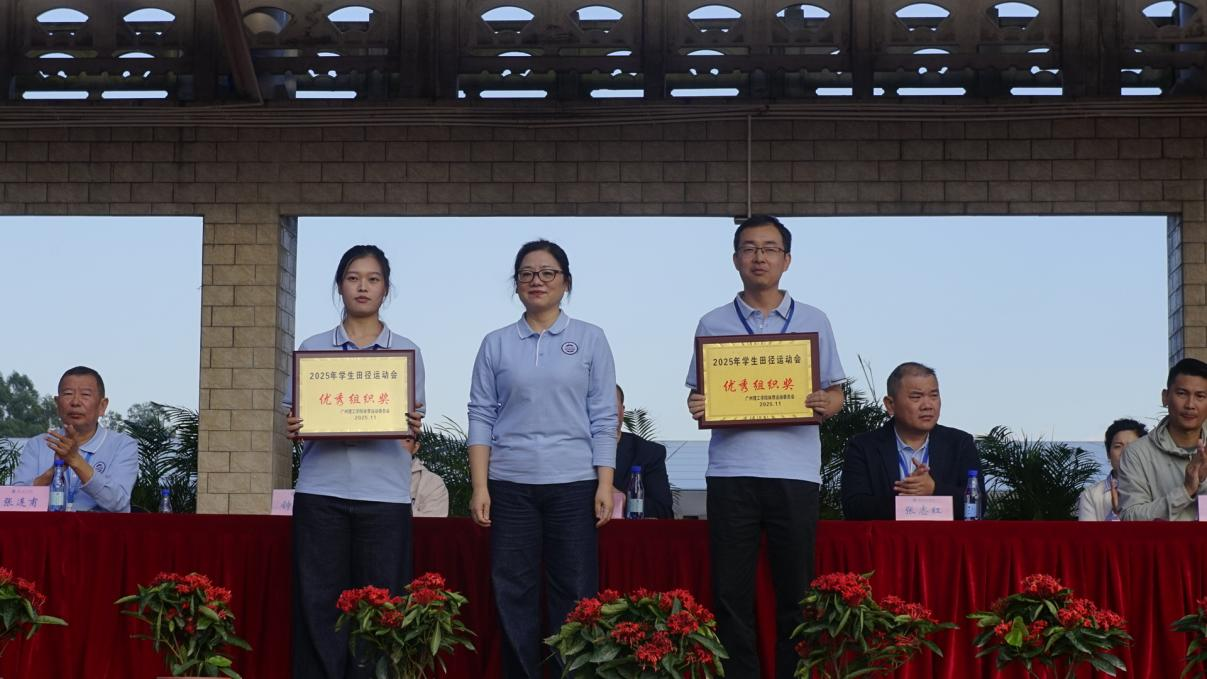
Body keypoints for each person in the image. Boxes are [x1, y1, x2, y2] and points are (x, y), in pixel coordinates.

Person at [686, 215, 845, 679]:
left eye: (770, 248)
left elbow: (836, 393)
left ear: (786, 260)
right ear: (736, 259)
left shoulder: (814, 320)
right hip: (731, 473)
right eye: (750, 248)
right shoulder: (712, 322)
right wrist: (698, 404)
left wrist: (826, 403)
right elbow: (697, 395)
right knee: (730, 593)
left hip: (795, 473)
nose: (760, 257)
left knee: (796, 591)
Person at [467, 239, 618, 679]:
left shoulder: (590, 338)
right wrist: (480, 486)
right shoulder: (496, 343)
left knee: (575, 592)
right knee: (512, 591)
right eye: (527, 273)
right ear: (516, 284)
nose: (537, 281)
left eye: (548, 273)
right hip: (510, 485)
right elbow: (480, 414)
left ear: (565, 282)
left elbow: (603, 415)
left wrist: (604, 482)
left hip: (573, 483)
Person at [285, 245, 425, 679]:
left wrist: (412, 429)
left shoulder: (406, 352)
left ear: (386, 288)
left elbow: (412, 431)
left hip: (384, 497)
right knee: (318, 605)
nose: (362, 286)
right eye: (353, 277)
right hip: (321, 494)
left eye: (373, 278)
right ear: (339, 286)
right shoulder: (312, 349)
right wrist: (295, 425)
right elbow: (295, 418)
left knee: (381, 608)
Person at [840, 362, 983, 520]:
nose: (928, 405)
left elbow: (979, 505)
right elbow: (853, 507)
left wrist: (934, 489)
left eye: (934, 395)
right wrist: (908, 499)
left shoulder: (960, 443)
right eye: (916, 397)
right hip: (887, 536)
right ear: (890, 405)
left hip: (943, 536)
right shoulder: (863, 447)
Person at [13, 366, 137, 512]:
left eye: (85, 395)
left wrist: (75, 460)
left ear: (102, 406)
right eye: (68, 394)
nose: (75, 402)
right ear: (57, 404)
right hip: (45, 527)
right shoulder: (38, 445)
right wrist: (53, 471)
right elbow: (15, 503)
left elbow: (118, 503)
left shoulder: (122, 445)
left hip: (96, 527)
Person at [1119, 357, 1207, 521]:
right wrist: (1186, 490)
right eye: (1182, 394)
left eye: (1200, 396)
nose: (1190, 405)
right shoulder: (1137, 454)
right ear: (1165, 397)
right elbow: (1130, 518)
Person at [613, 384, 674, 518]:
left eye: (610, 405)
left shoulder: (649, 453)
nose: (602, 412)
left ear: (622, 411)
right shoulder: (572, 453)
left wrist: (620, 499)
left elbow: (663, 512)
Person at [1078, 418, 1147, 521]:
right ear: (1108, 454)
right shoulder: (1090, 495)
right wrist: (1116, 514)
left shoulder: (1160, 489)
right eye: (1118, 446)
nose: (1125, 452)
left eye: (1133, 446)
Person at [405, 434, 449, 518]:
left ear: (416, 447)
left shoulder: (433, 482)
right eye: (393, 441)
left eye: (407, 440)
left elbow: (434, 523)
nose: (399, 445)